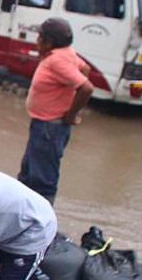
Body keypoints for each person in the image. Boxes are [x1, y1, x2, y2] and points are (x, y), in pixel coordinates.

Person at [17, 18, 93, 204]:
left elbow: (86, 87)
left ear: (48, 41)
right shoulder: (66, 53)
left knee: (42, 181)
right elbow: (86, 69)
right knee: (27, 174)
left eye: (39, 36)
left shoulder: (57, 60)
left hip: (49, 128)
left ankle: (42, 225)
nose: (36, 40)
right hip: (44, 126)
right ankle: (20, 214)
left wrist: (71, 114)